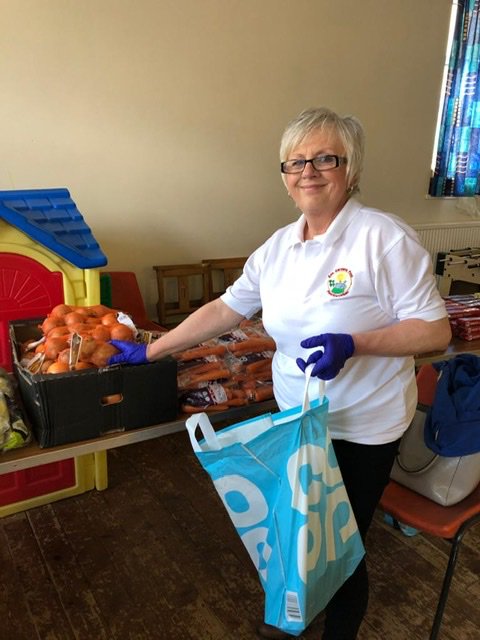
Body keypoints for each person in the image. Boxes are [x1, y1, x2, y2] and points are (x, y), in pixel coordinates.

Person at [109, 107, 452, 639]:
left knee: (342, 543)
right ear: (286, 177)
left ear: (351, 169)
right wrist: (152, 351)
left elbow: (435, 331)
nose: (308, 171)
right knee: (300, 532)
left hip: (362, 427)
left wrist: (356, 344)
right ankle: (300, 609)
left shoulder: (383, 239)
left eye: (324, 159)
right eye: (295, 162)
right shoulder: (278, 248)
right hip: (297, 418)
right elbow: (225, 309)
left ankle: (338, 629)